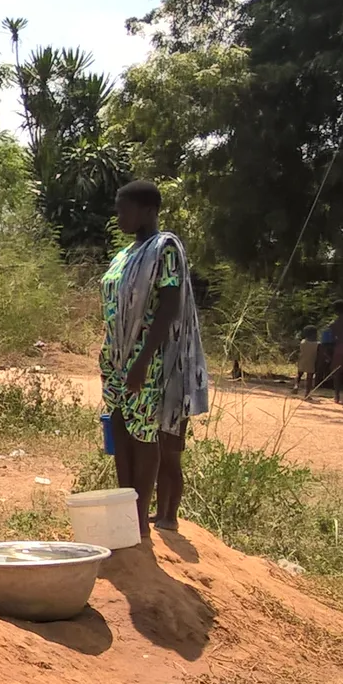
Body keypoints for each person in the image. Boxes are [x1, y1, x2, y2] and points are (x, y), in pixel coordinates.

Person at [99, 181, 210, 538]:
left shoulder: (165, 249)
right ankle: (125, 515)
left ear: (148, 210)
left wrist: (143, 360)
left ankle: (140, 521)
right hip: (117, 359)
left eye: (124, 210)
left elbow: (169, 306)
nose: (119, 218)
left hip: (146, 360)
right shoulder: (124, 255)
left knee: (144, 435)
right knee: (120, 428)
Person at [296, 327, 320, 396]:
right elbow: (319, 354)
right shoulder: (317, 344)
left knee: (299, 374)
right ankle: (307, 393)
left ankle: (296, 385)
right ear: (313, 334)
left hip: (302, 360)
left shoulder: (303, 342)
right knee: (309, 378)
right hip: (311, 361)